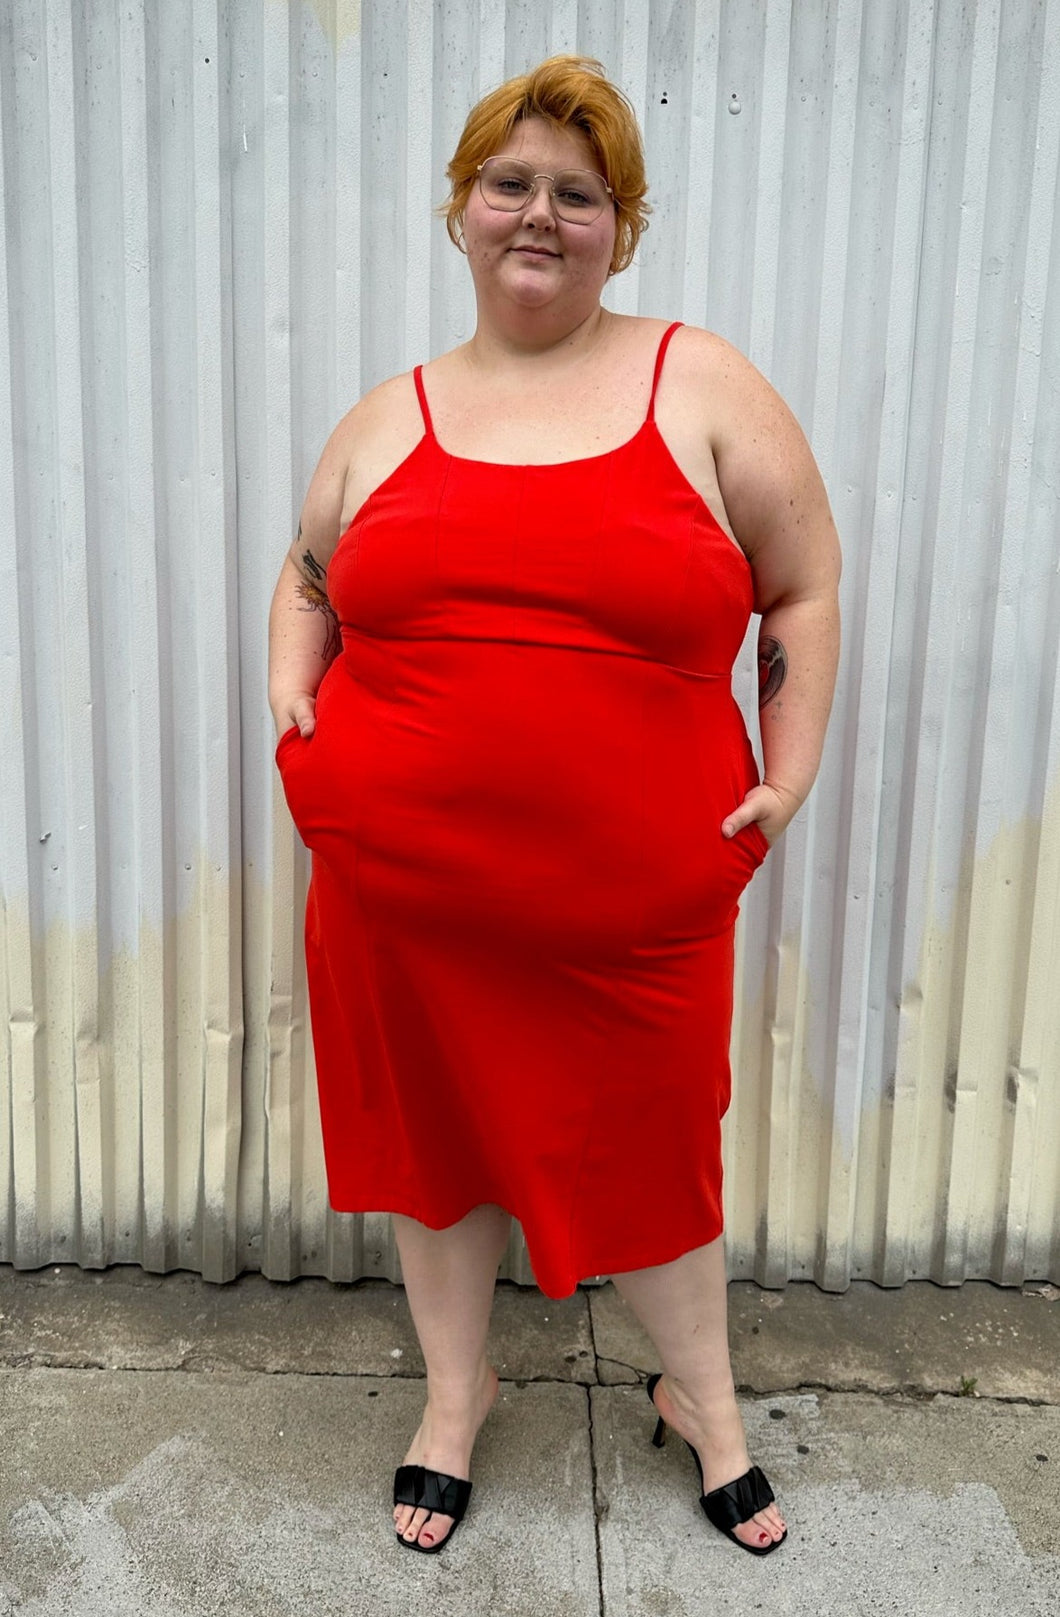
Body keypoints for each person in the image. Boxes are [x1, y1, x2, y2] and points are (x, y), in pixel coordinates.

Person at [269, 55, 840, 1558]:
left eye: (576, 194)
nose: (539, 213)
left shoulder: (697, 380)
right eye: (509, 184)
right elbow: (311, 569)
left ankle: (701, 1400)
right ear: (461, 211)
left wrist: (790, 766)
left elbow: (802, 582)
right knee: (435, 1149)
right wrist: (293, 699)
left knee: (658, 1149)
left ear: (620, 228)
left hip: (633, 903)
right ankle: (456, 1394)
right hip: (402, 891)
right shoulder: (388, 413)